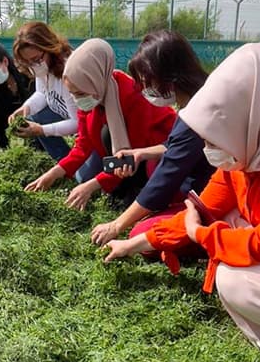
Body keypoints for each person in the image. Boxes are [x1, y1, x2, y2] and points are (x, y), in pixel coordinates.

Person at [104, 42, 260, 354]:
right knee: (229, 224)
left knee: (233, 280)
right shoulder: (242, 159)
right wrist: (128, 245)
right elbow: (204, 208)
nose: (208, 147)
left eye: (213, 137)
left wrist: (202, 235)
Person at [91, 30, 215, 248]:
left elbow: (164, 180)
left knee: (141, 232)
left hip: (210, 195)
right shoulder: (196, 98)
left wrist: (116, 225)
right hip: (198, 186)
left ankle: (206, 233)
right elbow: (176, 146)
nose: (145, 90)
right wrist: (141, 153)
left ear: (169, 74)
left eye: (148, 82)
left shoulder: (198, 112)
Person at [25, 38, 177, 210]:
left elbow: (131, 154)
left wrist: (93, 185)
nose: (77, 100)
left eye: (80, 93)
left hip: (157, 151)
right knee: (85, 175)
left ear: (94, 79)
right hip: (126, 155)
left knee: (106, 139)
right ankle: (120, 185)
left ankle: (136, 186)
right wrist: (54, 173)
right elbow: (83, 144)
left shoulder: (133, 96)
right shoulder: (90, 94)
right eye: (73, 94)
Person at [10, 21, 78, 161]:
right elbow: (42, 93)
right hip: (68, 119)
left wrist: (42, 130)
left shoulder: (69, 71)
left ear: (49, 48)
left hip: (89, 129)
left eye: (36, 59)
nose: (33, 66)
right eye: (27, 62)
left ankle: (74, 164)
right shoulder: (44, 69)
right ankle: (63, 160)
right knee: (36, 115)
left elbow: (78, 123)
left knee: (85, 177)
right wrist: (26, 107)